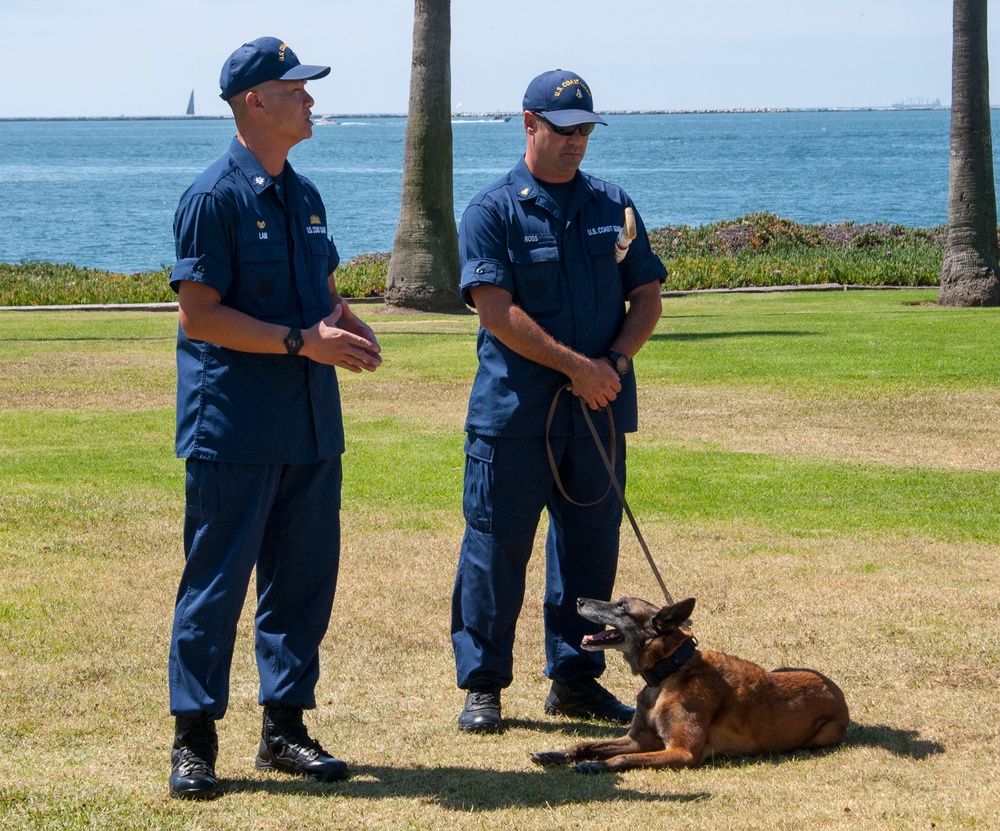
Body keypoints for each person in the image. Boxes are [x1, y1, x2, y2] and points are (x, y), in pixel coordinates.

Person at [166, 37, 382, 799]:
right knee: (216, 588)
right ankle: (194, 740)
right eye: (296, 89)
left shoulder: (305, 195)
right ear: (255, 101)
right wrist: (301, 341)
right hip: (235, 425)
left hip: (309, 424)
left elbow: (320, 288)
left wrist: (347, 323)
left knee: (302, 584)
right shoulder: (212, 198)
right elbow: (200, 317)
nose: (311, 100)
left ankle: (284, 729)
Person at [450, 69, 667, 733]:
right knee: (496, 551)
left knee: (590, 556)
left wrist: (614, 365)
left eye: (585, 131)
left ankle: (575, 679)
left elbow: (647, 297)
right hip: (515, 418)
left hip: (596, 414)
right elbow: (496, 311)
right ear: (529, 124)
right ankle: (483, 685)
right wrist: (578, 366)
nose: (576, 143)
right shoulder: (493, 210)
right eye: (564, 130)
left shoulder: (613, 205)